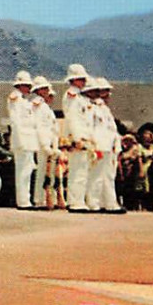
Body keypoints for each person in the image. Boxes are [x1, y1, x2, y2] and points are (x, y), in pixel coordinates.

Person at [86, 79, 123, 213]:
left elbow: (111, 130)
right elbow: (91, 128)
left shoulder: (104, 109)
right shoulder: (92, 107)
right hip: (99, 146)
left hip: (109, 146)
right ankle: (93, 203)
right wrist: (94, 146)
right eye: (103, 91)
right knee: (96, 175)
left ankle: (109, 202)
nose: (107, 94)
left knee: (108, 175)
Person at [62, 65, 94, 212]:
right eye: (81, 79)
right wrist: (77, 138)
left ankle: (77, 200)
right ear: (73, 79)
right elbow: (73, 118)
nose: (83, 81)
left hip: (83, 136)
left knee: (82, 170)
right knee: (77, 170)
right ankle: (76, 202)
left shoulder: (79, 97)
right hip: (78, 137)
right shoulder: (72, 96)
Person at [6, 70, 38, 210]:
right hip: (22, 140)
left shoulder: (24, 101)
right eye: (26, 85)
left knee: (28, 170)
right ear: (21, 85)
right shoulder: (15, 99)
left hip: (29, 140)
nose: (29, 88)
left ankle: (26, 199)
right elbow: (16, 121)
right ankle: (23, 201)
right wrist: (20, 141)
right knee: (23, 172)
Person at [32, 78, 61, 210]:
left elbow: (54, 130)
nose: (48, 94)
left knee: (51, 175)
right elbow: (40, 127)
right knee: (42, 172)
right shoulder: (38, 106)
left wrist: (55, 146)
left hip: (51, 144)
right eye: (44, 89)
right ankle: (39, 199)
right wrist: (45, 145)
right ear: (38, 90)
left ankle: (50, 199)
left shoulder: (47, 109)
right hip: (43, 144)